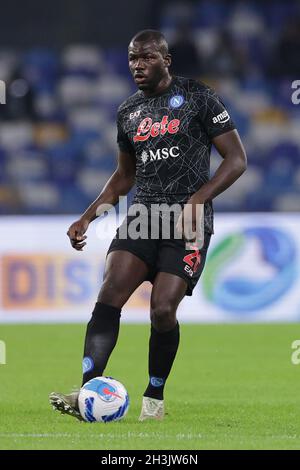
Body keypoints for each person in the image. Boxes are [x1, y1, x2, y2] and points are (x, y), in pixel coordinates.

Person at [49, 29, 247, 421]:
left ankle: (154, 398)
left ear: (166, 60)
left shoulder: (200, 98)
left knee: (162, 310)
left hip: (188, 224)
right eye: (132, 59)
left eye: (147, 58)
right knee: (109, 295)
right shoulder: (128, 112)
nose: (138, 66)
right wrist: (88, 216)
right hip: (142, 218)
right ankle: (88, 391)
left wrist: (198, 199)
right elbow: (124, 177)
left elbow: (236, 159)